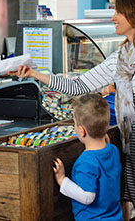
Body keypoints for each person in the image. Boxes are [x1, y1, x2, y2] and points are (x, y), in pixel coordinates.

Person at [9, 0, 135, 221]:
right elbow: (78, 86)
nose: (113, 17)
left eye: (118, 12)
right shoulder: (121, 58)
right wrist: (35, 74)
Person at [53, 93, 123, 221]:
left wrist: (62, 180)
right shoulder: (113, 150)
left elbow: (87, 197)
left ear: (82, 130)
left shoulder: (86, 162)